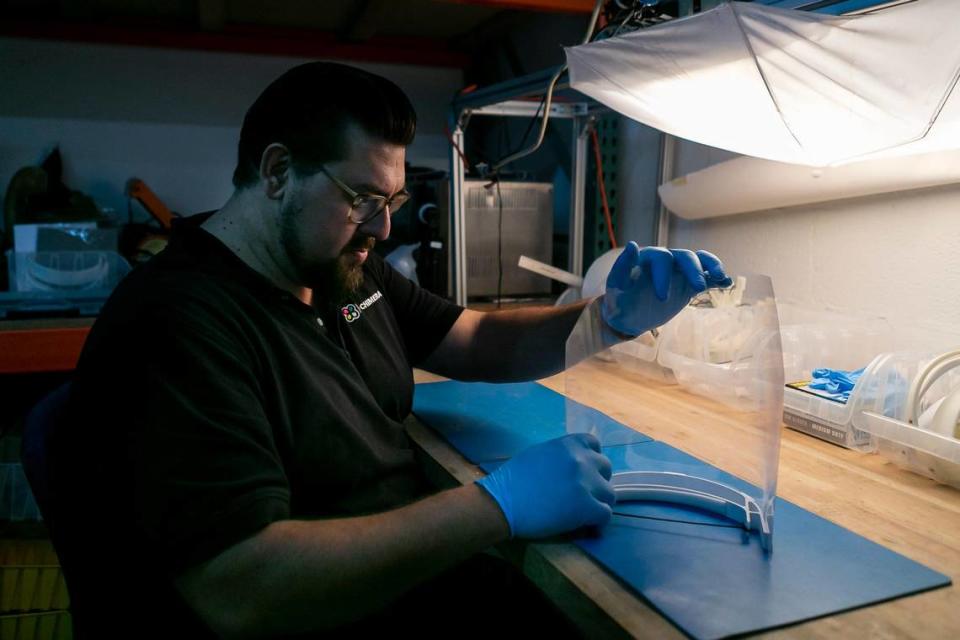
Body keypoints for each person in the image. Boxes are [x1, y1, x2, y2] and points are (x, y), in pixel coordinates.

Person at [47, 61, 732, 638]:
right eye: (363, 197)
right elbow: (240, 587)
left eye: (395, 199)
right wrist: (498, 505)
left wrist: (606, 319)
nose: (383, 225)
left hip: (394, 587)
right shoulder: (178, 322)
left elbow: (472, 337)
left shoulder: (339, 264)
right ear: (278, 171)